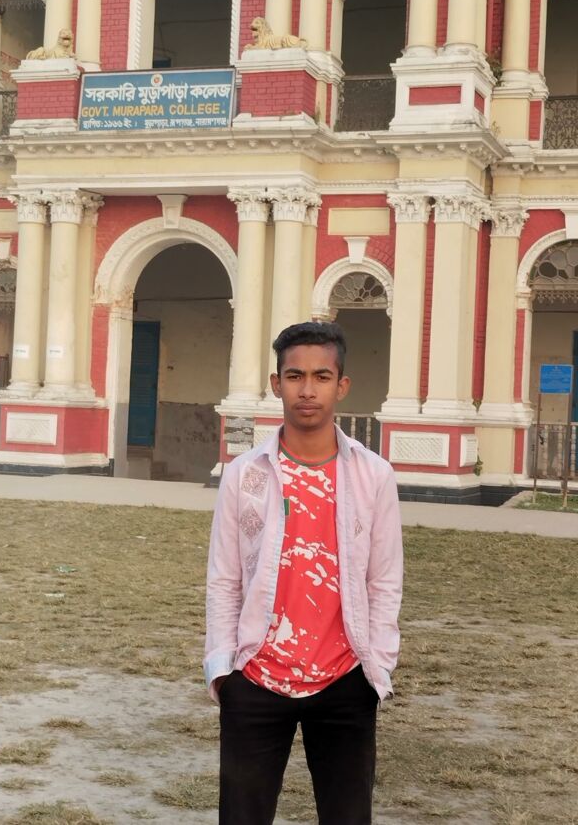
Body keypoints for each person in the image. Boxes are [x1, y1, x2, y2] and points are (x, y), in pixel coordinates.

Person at [204, 321, 403, 825]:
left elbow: (384, 580)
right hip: (255, 676)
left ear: (342, 385)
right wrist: (224, 670)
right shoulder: (244, 474)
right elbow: (225, 577)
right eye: (295, 376)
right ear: (277, 384)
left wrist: (376, 667)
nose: (307, 390)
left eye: (321, 376)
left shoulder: (373, 475)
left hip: (345, 679)